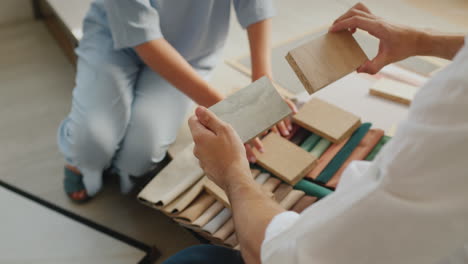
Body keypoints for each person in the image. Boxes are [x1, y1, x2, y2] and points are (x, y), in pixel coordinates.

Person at [166, 3, 467, 264]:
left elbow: (283, 256)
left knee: (193, 259)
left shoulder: (451, 121)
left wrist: (232, 172)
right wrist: (421, 40)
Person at [57, 0, 296, 203]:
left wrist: (262, 82)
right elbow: (145, 41)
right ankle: (78, 154)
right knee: (91, 145)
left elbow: (254, 4)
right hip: (113, 37)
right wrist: (229, 110)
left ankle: (102, 135)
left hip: (189, 49)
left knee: (138, 159)